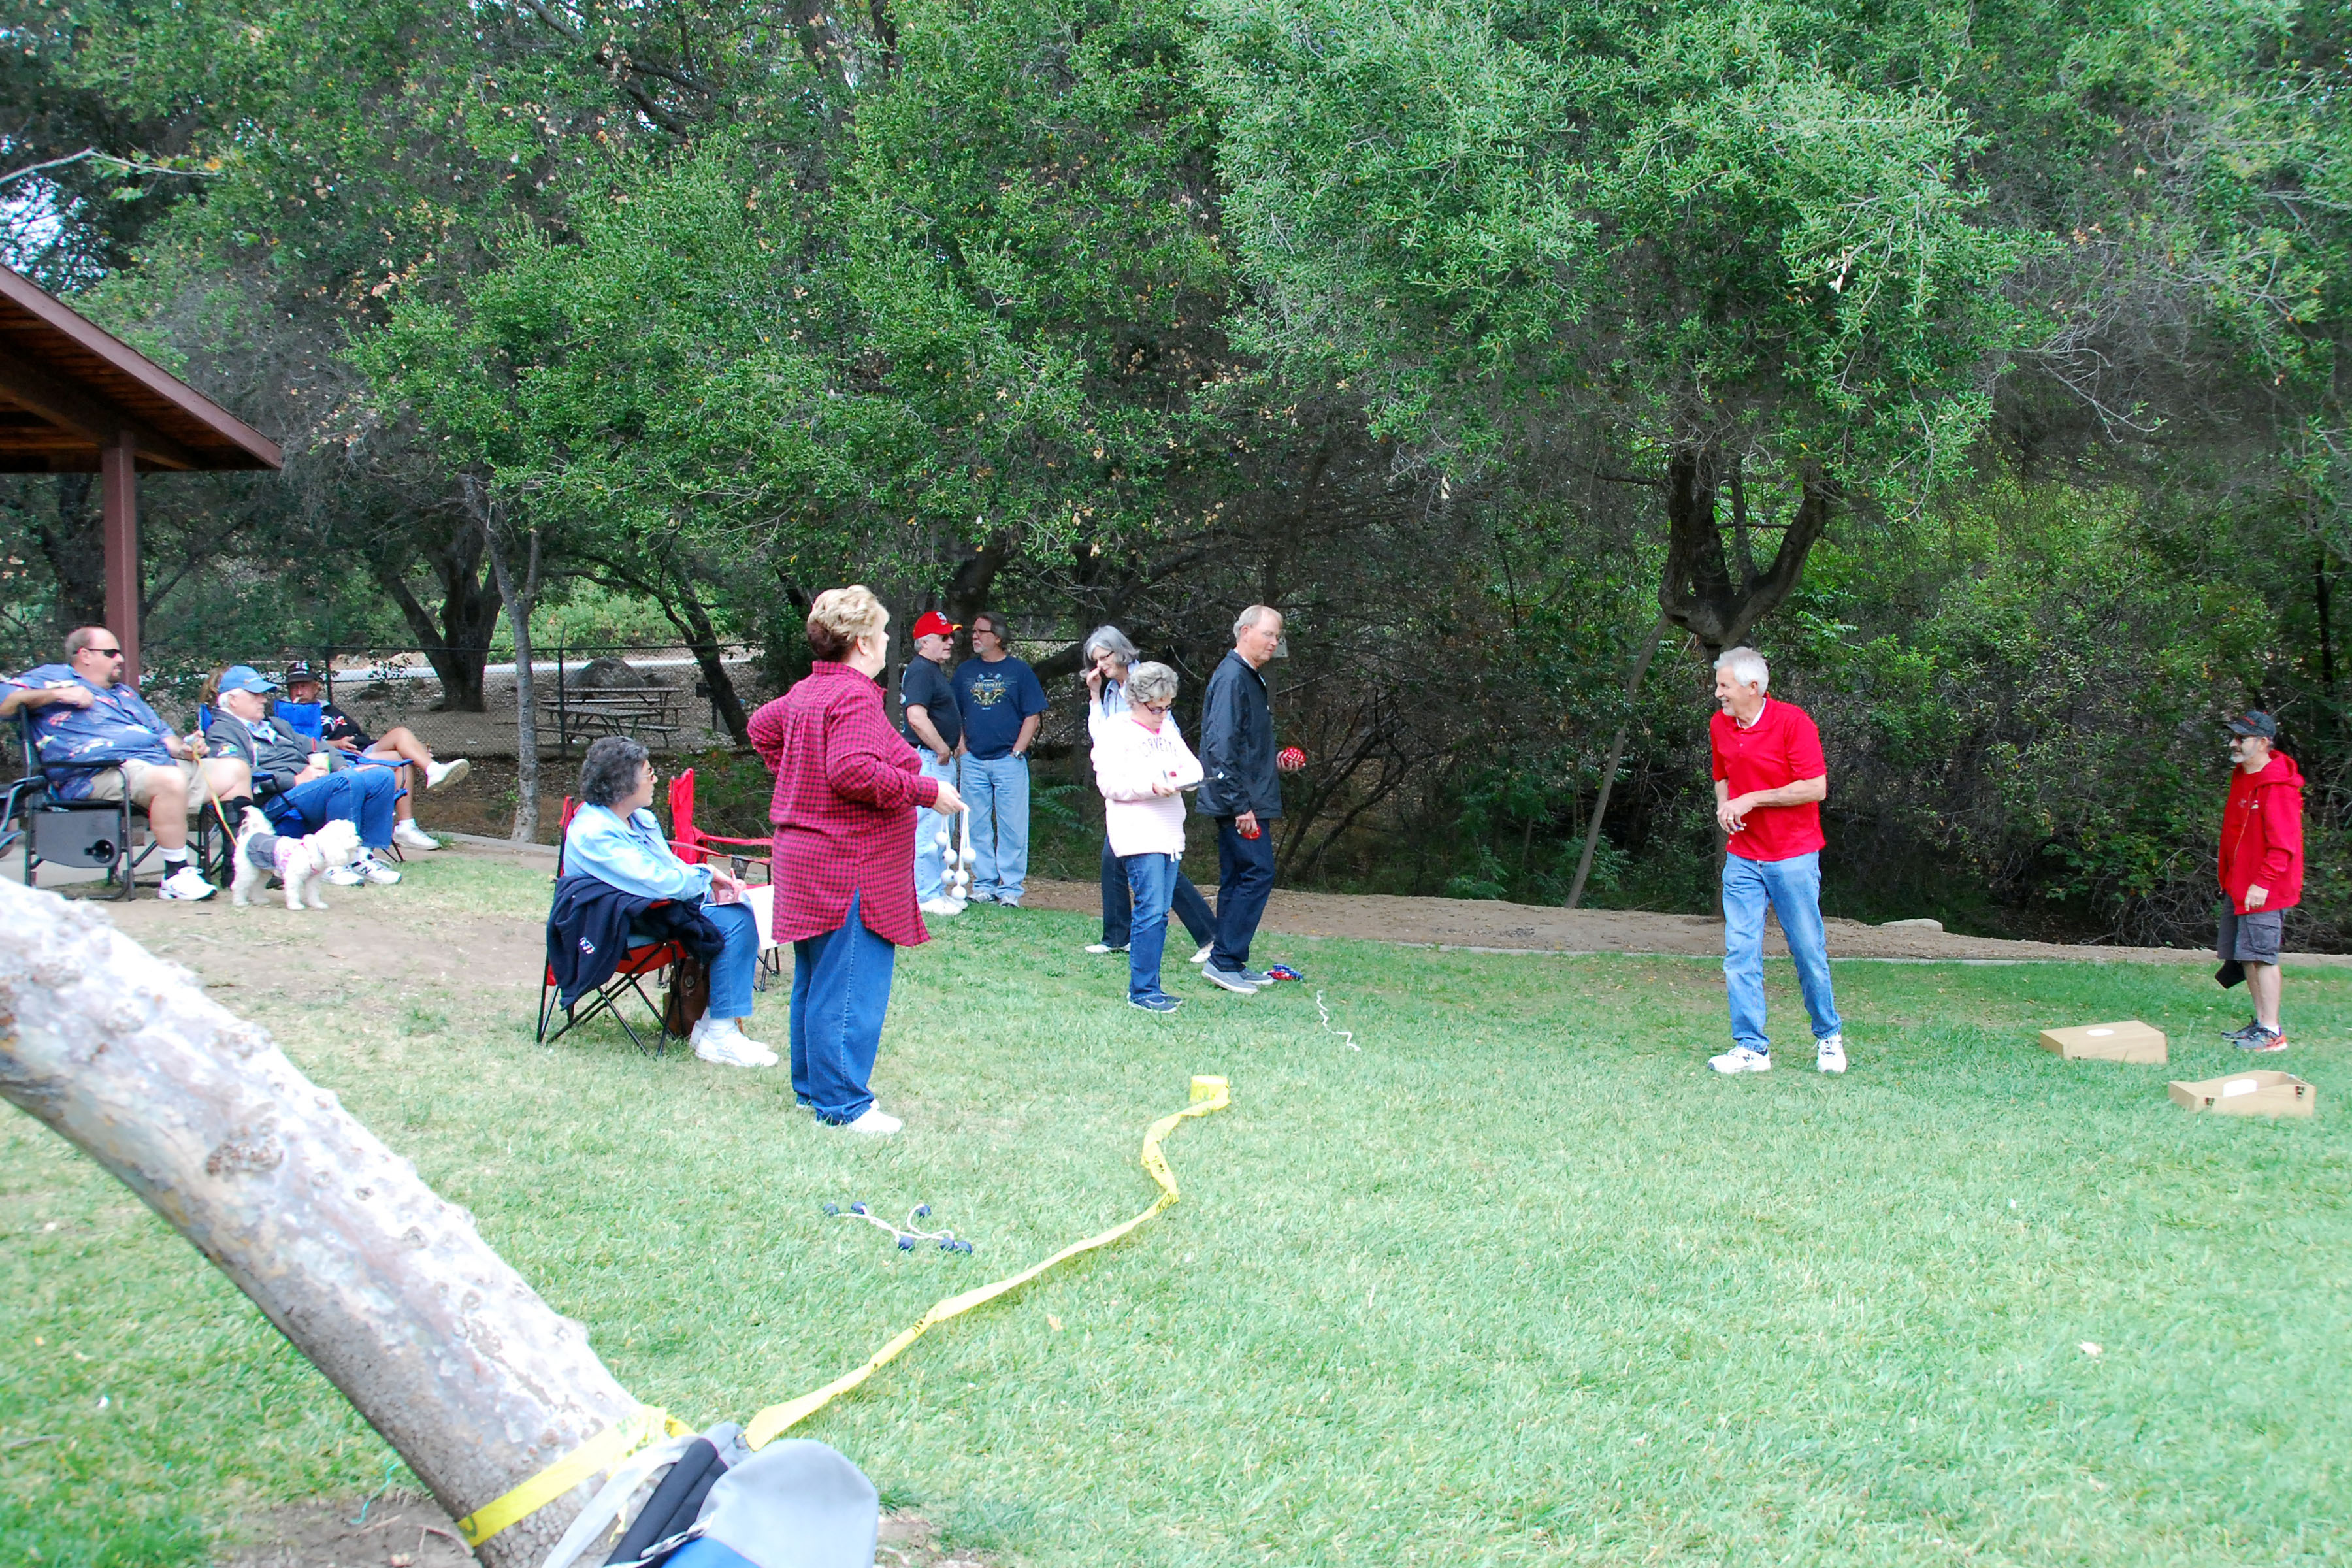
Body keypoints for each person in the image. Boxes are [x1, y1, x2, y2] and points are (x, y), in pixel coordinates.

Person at [749, 586, 967, 1135]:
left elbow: (762, 728)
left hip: (806, 856)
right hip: (845, 861)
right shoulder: (850, 696)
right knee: (849, 984)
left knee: (817, 977)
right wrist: (925, 792)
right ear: (864, 641)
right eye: (887, 633)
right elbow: (850, 771)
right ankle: (844, 1104)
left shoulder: (810, 690)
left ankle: (813, 1091)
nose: (891, 641)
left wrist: (800, 777)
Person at [2, 626, 251, 900]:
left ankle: (237, 867)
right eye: (111, 653)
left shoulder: (126, 695)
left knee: (235, 769)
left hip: (152, 766)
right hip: (95, 773)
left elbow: (166, 740)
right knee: (169, 778)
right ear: (84, 655)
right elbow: (5, 703)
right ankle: (176, 874)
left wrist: (187, 748)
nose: (120, 659)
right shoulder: (53, 678)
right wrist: (58, 695)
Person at [565, 735, 770, 1067]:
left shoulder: (641, 819)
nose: (656, 779)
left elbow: (670, 870)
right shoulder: (594, 833)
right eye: (649, 773)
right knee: (736, 921)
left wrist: (708, 882)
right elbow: (656, 881)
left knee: (741, 911)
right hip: (608, 927)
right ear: (623, 782)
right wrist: (704, 878)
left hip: (652, 911)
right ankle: (719, 1032)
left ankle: (715, 1027)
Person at [1705, 646, 1845, 1075]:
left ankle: (1828, 1038)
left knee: (1806, 949)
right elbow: (1722, 776)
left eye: (1724, 686)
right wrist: (1727, 807)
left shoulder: (1793, 723)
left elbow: (1815, 788)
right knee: (1740, 951)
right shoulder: (1720, 725)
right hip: (1744, 858)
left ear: (1753, 687)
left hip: (1793, 857)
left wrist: (1752, 799)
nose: (1717, 695)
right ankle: (1751, 1048)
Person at [1080, 625, 1216, 964]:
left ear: (1121, 651)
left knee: (1156, 868)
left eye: (1105, 657)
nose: (1100, 666)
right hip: (1128, 790)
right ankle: (1117, 936)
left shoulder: (1147, 681)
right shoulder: (1111, 690)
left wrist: (1162, 779)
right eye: (1094, 660)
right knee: (1117, 859)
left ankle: (1210, 935)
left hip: (1153, 792)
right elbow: (1101, 736)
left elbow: (1166, 734)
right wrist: (1095, 696)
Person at [204, 666, 403, 887]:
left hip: (309, 789)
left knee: (381, 776)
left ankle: (361, 856)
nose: (263, 700)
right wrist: (296, 779)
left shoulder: (275, 725)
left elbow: (319, 746)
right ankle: (334, 864)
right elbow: (239, 774)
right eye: (256, 695)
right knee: (346, 782)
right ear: (233, 700)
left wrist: (341, 768)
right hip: (274, 800)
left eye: (262, 694)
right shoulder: (221, 732)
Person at [1196, 605, 1305, 994]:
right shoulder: (1232, 678)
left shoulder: (1248, 677)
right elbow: (1219, 747)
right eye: (1268, 634)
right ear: (1244, 632)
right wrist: (1240, 805)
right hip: (1240, 804)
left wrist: (1272, 762)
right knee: (1258, 873)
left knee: (1239, 877)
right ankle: (1224, 960)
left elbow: (1243, 745)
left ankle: (1229, 962)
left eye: (1278, 636)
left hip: (1247, 796)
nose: (1274, 642)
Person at [1092, 661, 1204, 1012]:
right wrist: (1151, 785)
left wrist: (1173, 777)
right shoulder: (1115, 731)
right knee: (1150, 910)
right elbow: (1109, 784)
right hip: (1137, 832)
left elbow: (1194, 769)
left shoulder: (1167, 732)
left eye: (1167, 707)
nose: (1162, 715)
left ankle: (1151, 986)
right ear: (1135, 701)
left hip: (1170, 832)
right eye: (1156, 708)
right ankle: (1142, 991)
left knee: (1159, 913)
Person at [283, 661, 468, 853]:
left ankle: (433, 769)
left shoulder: (327, 708)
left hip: (359, 750)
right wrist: (334, 745)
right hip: (337, 760)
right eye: (294, 687)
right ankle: (406, 826)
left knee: (401, 734)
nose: (298, 692)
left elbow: (358, 735)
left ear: (315, 687)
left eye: (303, 686)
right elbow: (296, 746)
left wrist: (413, 750)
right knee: (400, 760)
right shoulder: (288, 714)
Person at [2217, 711, 2304, 1052]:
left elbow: (2284, 846)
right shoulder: (2243, 776)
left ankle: (2272, 1032)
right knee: (2247, 955)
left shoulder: (2278, 786)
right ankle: (2260, 1024)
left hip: (2264, 889)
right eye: (2234, 737)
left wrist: (2262, 883)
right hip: (2240, 886)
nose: (2234, 744)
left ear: (2264, 743)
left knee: (2263, 956)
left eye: (2242, 738)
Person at [950, 610, 1047, 906]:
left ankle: (1011, 890)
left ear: (999, 638)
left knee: (1013, 826)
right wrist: (962, 748)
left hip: (1009, 762)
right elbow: (953, 714)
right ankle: (984, 886)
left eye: (982, 632)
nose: (975, 637)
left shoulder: (1019, 672)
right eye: (974, 632)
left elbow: (1033, 716)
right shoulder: (965, 672)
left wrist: (1017, 751)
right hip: (973, 761)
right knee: (977, 825)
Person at [897, 612, 966, 917]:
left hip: (937, 758)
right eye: (943, 637)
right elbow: (916, 716)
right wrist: (941, 748)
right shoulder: (921, 671)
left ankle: (933, 891)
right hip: (927, 758)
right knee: (928, 829)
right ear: (925, 642)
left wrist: (956, 741)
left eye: (950, 636)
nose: (950, 641)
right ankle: (925, 894)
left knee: (940, 827)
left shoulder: (932, 670)